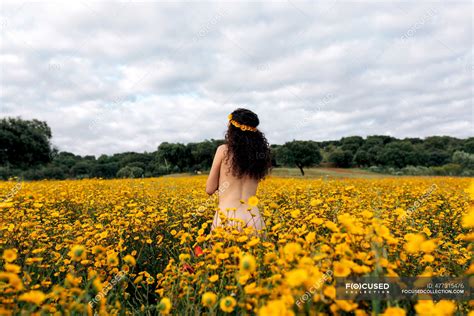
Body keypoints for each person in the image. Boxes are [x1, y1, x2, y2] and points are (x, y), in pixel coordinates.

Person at [206, 108, 272, 233]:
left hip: (227, 218)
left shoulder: (223, 150)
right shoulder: (259, 154)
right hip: (254, 220)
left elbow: (209, 189)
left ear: (232, 128)